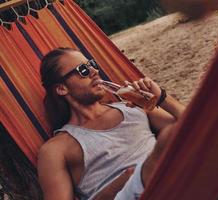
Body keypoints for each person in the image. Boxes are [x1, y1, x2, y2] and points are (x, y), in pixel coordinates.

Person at [37, 47, 185, 200]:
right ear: (62, 88)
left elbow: (192, 126)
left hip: (168, 179)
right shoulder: (56, 149)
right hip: (126, 193)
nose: (94, 71)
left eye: (92, 65)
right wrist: (126, 180)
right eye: (83, 70)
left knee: (174, 136)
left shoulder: (133, 107)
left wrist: (161, 97)